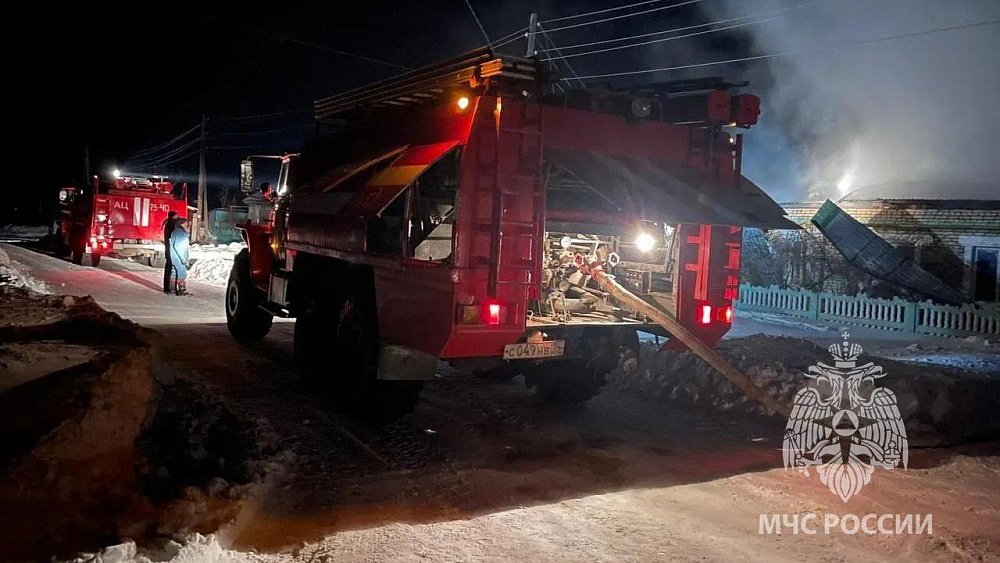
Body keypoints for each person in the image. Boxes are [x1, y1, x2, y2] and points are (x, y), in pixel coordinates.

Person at [169, 217, 191, 296]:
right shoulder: (181, 233)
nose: (188, 226)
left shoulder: (175, 231)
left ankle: (172, 289)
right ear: (181, 224)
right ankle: (182, 290)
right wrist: (183, 259)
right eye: (186, 224)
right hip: (179, 257)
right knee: (182, 273)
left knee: (174, 272)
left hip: (174, 256)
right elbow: (178, 246)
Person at [161, 210, 178, 293]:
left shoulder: (168, 223)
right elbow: (171, 237)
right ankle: (168, 287)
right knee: (170, 268)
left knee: (168, 267)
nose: (177, 216)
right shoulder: (172, 225)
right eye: (176, 215)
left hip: (168, 249)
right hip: (171, 249)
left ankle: (166, 286)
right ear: (173, 216)